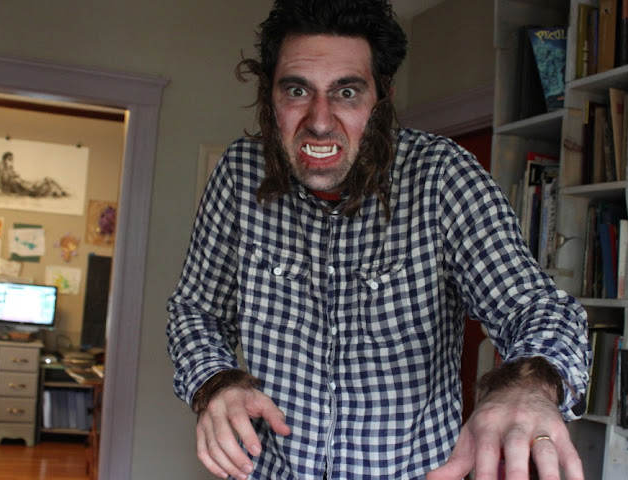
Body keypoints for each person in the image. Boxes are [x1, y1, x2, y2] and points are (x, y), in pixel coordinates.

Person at [166, 1, 591, 479]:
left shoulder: (442, 176)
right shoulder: (240, 174)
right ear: (270, 96)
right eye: (297, 90)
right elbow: (196, 310)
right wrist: (215, 382)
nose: (320, 121)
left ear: (382, 99)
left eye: (347, 92)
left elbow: (535, 308)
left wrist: (528, 386)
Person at [0, 151, 67, 198]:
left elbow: (17, 178)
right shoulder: (3, 169)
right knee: (47, 181)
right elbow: (2, 180)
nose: (11, 161)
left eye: (12, 159)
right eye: (9, 159)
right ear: (4, 160)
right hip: (26, 188)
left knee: (48, 180)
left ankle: (61, 191)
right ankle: (60, 192)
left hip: (25, 185)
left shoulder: (9, 169)